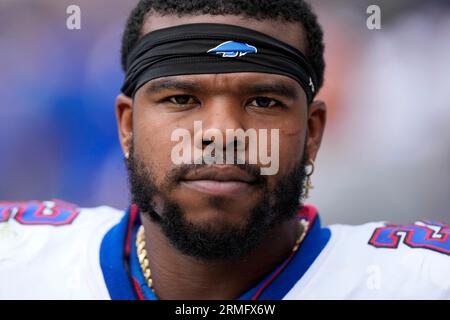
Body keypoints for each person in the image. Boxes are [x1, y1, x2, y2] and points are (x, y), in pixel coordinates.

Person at [0, 0, 448, 300]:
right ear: (128, 126)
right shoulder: (17, 262)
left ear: (312, 132)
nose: (222, 132)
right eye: (181, 99)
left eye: (263, 101)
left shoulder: (421, 282)